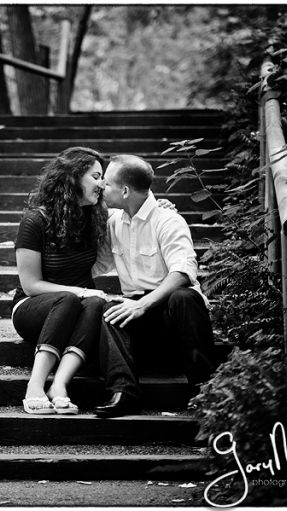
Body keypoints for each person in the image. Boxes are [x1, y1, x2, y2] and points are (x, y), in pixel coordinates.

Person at [90, 154, 217, 418]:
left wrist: (143, 304)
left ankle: (206, 392)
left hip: (174, 318)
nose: (101, 186)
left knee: (184, 296)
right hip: (140, 324)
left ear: (125, 191)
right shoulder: (113, 222)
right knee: (110, 309)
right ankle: (123, 392)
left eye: (107, 183)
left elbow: (183, 272)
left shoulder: (168, 219)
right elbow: (96, 266)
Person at [12, 147, 110, 415]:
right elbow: (31, 284)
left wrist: (160, 207)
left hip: (79, 309)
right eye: (96, 176)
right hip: (33, 307)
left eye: (103, 178)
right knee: (72, 298)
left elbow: (133, 213)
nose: (102, 184)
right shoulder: (35, 221)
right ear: (73, 178)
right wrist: (80, 291)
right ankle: (35, 385)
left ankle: (59, 386)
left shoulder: (96, 217)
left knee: (95, 303)